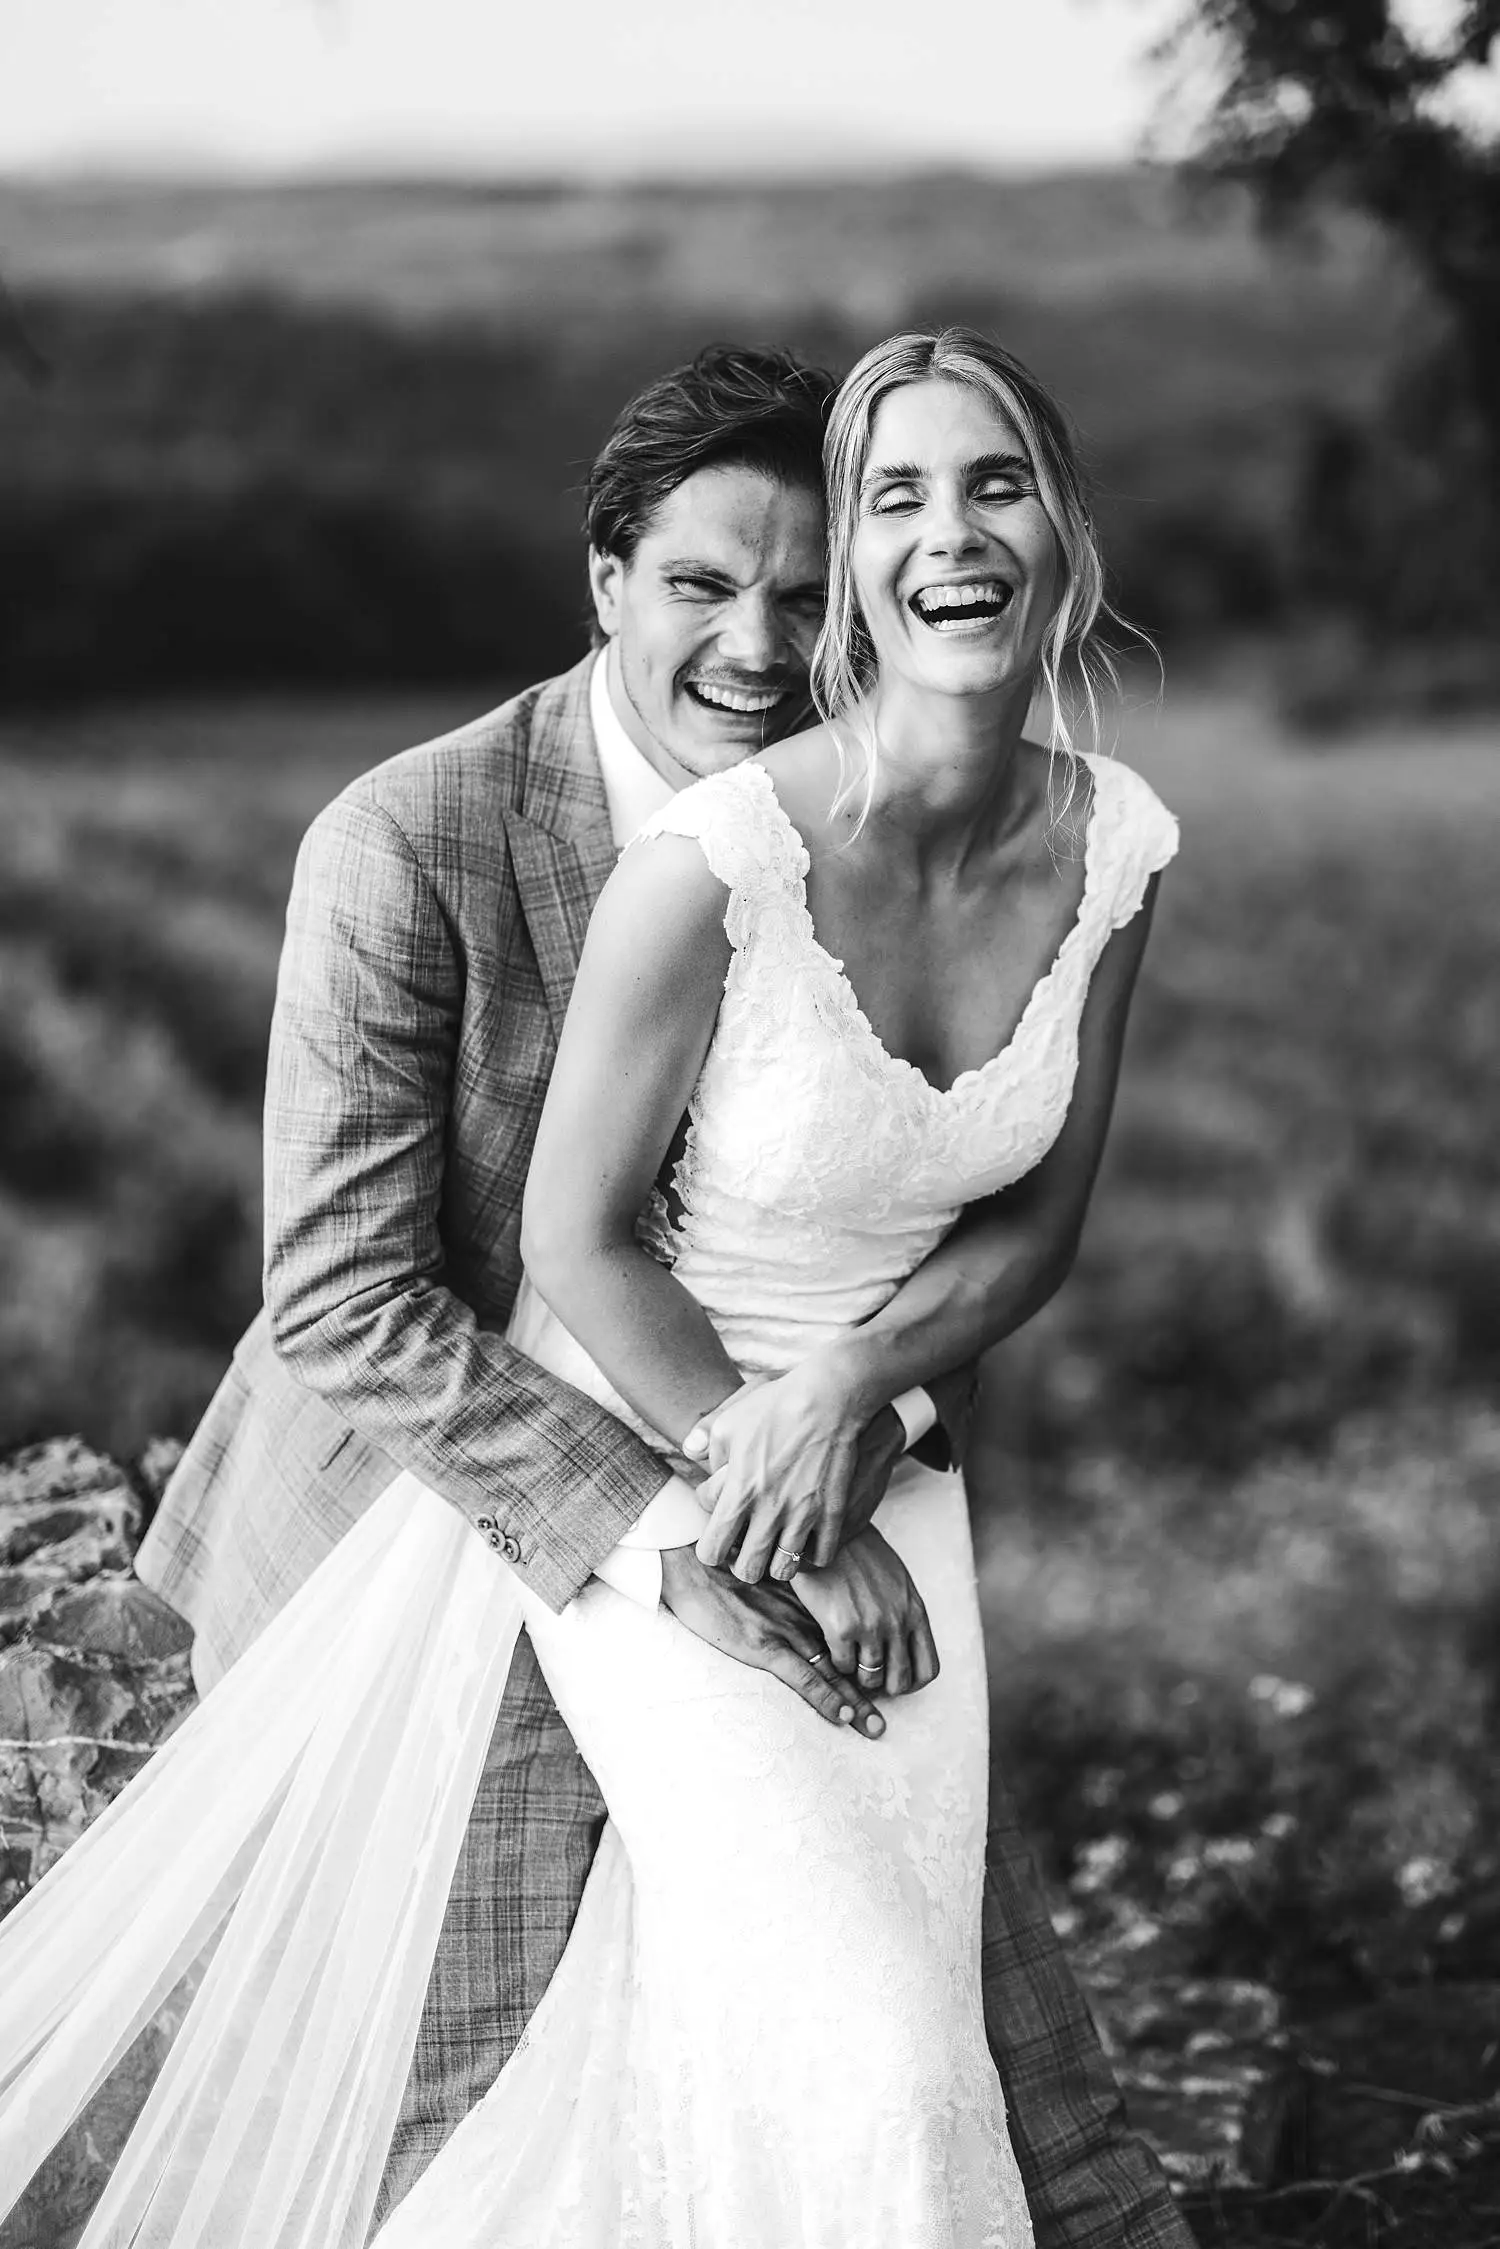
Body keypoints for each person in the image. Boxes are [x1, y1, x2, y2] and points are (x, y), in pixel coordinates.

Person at [1, 335, 1191, 2249]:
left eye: (801, 593)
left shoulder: (923, 816)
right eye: (701, 586)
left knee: (957, 2050)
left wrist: (856, 1416)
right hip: (449, 1521)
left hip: (818, 1490)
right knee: (470, 2092)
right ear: (605, 581)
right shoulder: (411, 836)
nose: (757, 643)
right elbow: (347, 1298)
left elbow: (951, 1215)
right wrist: (681, 1533)